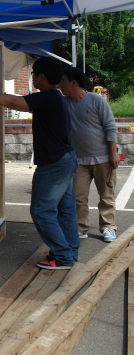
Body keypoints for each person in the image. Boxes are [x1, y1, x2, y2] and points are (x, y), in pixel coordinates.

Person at [0, 56, 78, 269]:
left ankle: (63, 256)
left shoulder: (48, 97)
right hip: (65, 160)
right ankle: (69, 252)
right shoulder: (54, 97)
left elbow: (14, 102)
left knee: (41, 211)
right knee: (65, 210)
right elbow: (14, 99)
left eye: (33, 74)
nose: (32, 78)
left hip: (54, 163)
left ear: (42, 76)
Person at [60, 67, 119, 242]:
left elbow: (110, 126)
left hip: (103, 158)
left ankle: (108, 227)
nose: (60, 85)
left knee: (106, 195)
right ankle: (80, 227)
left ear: (73, 83)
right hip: (79, 160)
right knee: (78, 196)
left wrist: (113, 153)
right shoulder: (64, 103)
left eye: (63, 81)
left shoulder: (96, 100)